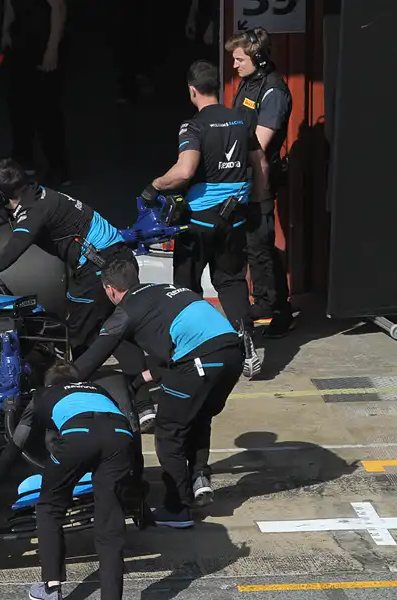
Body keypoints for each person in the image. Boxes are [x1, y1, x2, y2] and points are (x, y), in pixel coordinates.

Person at [0, 158, 156, 423]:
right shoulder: (32, 195)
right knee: (117, 329)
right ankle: (144, 403)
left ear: (0, 193)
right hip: (116, 261)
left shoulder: (35, 212)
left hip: (98, 271)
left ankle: (75, 399)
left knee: (78, 338)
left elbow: (13, 249)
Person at [73, 258, 243, 528]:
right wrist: (143, 378)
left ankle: (178, 508)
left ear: (110, 289)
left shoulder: (126, 310)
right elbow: (177, 345)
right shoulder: (163, 290)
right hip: (233, 353)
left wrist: (62, 380)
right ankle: (199, 478)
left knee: (169, 433)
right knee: (197, 417)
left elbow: (92, 357)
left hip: (200, 360)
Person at [139, 59, 268, 378]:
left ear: (192, 90)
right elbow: (260, 163)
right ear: (218, 87)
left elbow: (184, 172)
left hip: (198, 222)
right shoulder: (241, 119)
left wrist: (154, 186)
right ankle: (246, 344)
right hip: (234, 218)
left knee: (185, 286)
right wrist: (258, 202)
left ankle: (192, 348)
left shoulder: (193, 126)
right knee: (232, 281)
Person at [0, 364, 137, 600]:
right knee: (110, 524)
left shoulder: (43, 395)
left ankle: (51, 588)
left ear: (49, 384)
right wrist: (136, 487)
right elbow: (129, 425)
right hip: (120, 438)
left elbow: (15, 445)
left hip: (77, 436)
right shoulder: (98, 390)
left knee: (49, 507)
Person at [226, 27, 295, 338]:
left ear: (258, 57)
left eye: (239, 59)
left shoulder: (273, 91)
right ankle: (271, 305)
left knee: (261, 246)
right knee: (253, 246)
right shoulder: (247, 84)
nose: (234, 65)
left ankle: (275, 308)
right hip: (242, 177)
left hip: (260, 178)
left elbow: (261, 142)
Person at [1, 0, 70, 186]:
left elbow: (59, 7)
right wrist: (6, 31)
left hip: (42, 40)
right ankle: (23, 159)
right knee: (17, 103)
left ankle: (59, 167)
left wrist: (52, 48)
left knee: (46, 108)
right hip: (20, 40)